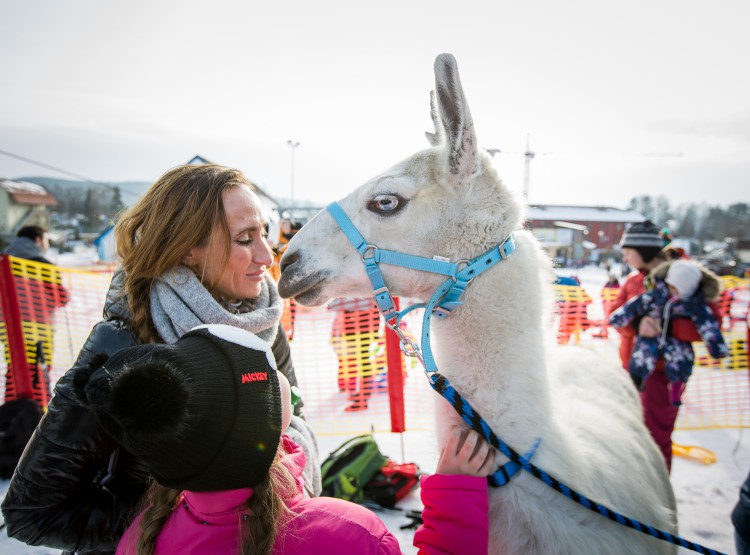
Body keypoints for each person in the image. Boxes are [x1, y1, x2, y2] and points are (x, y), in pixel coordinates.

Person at [1, 164, 320, 554]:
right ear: (187, 249)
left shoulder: (263, 320)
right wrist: (179, 529)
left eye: (264, 233)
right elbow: (35, 511)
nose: (265, 254)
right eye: (243, 239)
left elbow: (293, 420)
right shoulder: (123, 341)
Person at [81, 324, 494, 555]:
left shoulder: (143, 538)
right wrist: (455, 499)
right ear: (261, 426)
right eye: (269, 380)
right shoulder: (343, 535)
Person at [609, 220, 723, 472]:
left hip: (664, 373)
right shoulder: (632, 280)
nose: (625, 258)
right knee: (631, 434)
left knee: (655, 436)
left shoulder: (686, 277)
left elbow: (711, 320)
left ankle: (657, 497)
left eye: (629, 252)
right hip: (632, 368)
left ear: (644, 251)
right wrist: (638, 324)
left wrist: (668, 327)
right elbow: (614, 313)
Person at [609, 259, 728, 405]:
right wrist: (622, 320)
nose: (674, 292)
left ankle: (677, 389)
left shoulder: (693, 306)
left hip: (676, 344)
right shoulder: (654, 297)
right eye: (672, 287)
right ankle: (636, 383)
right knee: (641, 358)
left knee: (681, 362)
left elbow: (708, 326)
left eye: (679, 290)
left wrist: (717, 348)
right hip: (650, 339)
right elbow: (632, 307)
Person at [2, 225, 70, 405]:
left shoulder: (3, 261)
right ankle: (35, 415)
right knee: (38, 373)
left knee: (15, 370)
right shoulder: (42, 264)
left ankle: (11, 412)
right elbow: (60, 298)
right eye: (46, 240)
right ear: (38, 240)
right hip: (38, 329)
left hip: (8, 328)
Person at [328, 297, 382, 411]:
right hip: (360, 329)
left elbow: (334, 305)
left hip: (361, 329)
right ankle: (363, 394)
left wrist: (338, 299)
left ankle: (363, 400)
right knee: (362, 363)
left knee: (364, 363)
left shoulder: (358, 290)